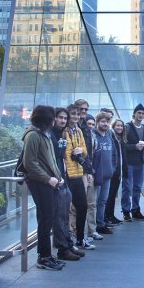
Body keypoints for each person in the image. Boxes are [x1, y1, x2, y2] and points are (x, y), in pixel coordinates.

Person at [22, 105, 65, 270]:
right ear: (46, 119)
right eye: (53, 117)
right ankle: (44, 257)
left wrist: (58, 178)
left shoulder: (44, 134)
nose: (55, 120)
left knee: (48, 218)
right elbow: (30, 164)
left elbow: (50, 160)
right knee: (45, 219)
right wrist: (48, 179)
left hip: (49, 182)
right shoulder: (33, 135)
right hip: (41, 183)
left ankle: (47, 255)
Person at [50, 107, 84, 261]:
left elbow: (83, 151)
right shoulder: (49, 134)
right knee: (59, 215)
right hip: (57, 179)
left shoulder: (63, 133)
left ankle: (67, 244)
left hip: (63, 177)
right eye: (61, 118)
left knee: (64, 214)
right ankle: (61, 249)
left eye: (65, 118)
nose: (63, 121)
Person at [64, 104, 92, 250]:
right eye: (72, 114)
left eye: (76, 114)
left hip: (77, 173)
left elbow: (85, 152)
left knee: (82, 206)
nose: (75, 116)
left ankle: (80, 239)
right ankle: (67, 241)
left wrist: (81, 150)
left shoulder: (79, 131)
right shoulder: (63, 131)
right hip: (66, 175)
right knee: (66, 210)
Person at [122, 103, 144, 221]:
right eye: (139, 113)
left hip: (140, 163)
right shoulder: (127, 127)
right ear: (134, 114)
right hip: (129, 163)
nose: (141, 115)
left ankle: (136, 210)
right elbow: (122, 145)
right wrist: (135, 147)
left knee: (137, 187)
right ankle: (126, 211)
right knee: (127, 187)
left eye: (143, 113)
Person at [92, 111, 117, 235]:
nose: (105, 124)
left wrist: (113, 168)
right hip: (95, 175)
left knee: (103, 201)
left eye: (107, 122)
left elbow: (114, 155)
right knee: (94, 202)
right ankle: (92, 227)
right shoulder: (92, 135)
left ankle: (100, 224)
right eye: (103, 121)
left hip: (107, 175)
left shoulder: (109, 136)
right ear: (98, 122)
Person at [105, 119, 125, 225]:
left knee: (112, 195)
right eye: (117, 125)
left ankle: (111, 215)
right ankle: (107, 217)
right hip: (113, 171)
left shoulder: (119, 138)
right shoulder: (111, 136)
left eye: (121, 126)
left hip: (118, 171)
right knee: (109, 195)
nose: (120, 128)